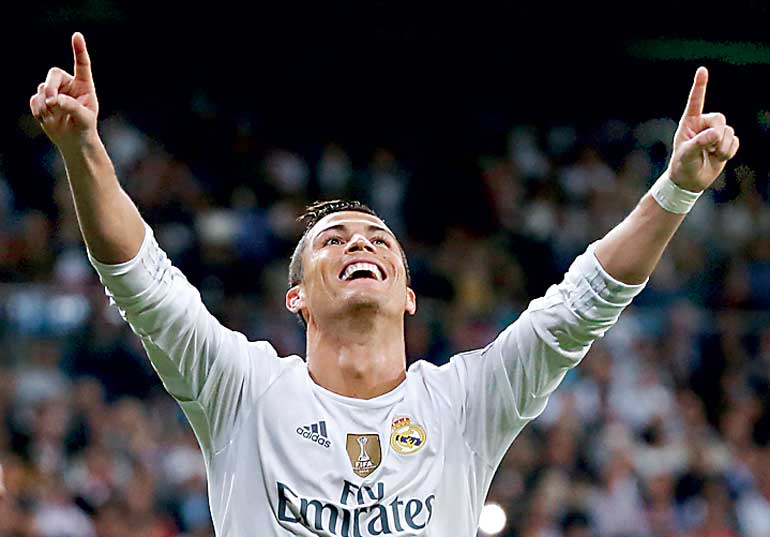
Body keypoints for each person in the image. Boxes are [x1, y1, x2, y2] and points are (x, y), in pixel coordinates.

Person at [29, 32, 739, 537]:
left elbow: (583, 304)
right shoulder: (243, 391)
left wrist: (675, 189)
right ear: (296, 295)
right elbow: (141, 280)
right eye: (331, 240)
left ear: (408, 294)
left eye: (378, 241)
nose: (358, 243)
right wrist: (83, 147)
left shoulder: (463, 404)